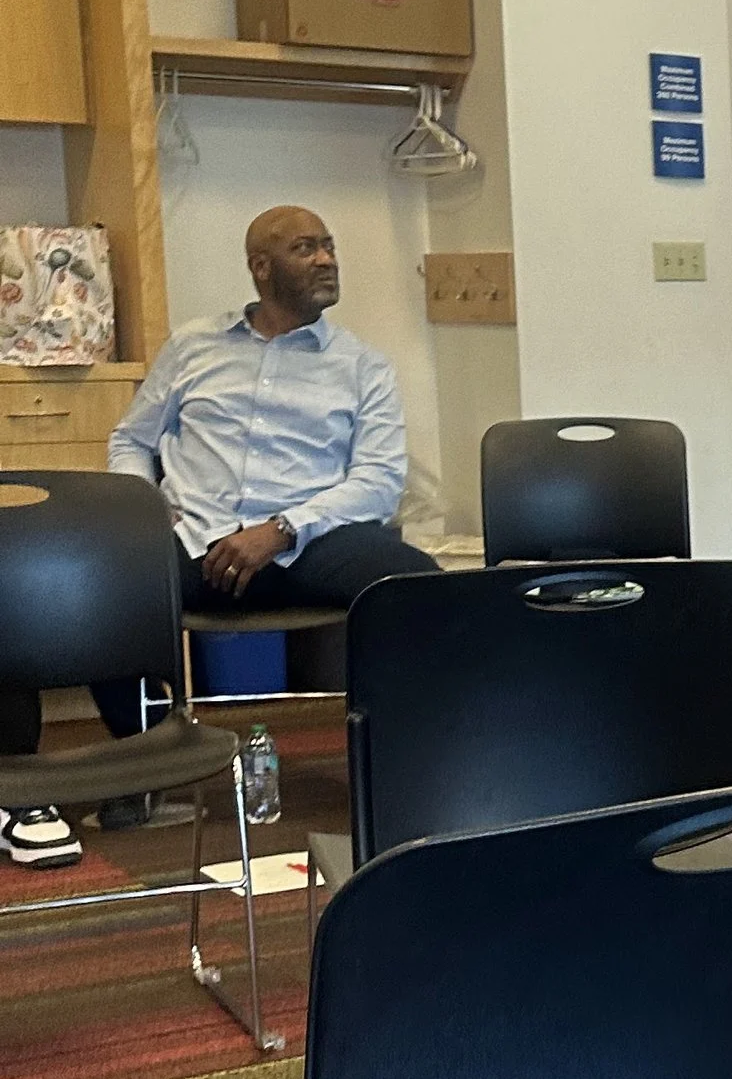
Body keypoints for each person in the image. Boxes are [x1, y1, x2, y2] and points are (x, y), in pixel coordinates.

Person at [0, 206, 438, 867]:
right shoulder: (194, 346)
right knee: (51, 592)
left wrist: (281, 528)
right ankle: (120, 769)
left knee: (420, 587)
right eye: (305, 247)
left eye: (329, 246)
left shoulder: (362, 366)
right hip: (192, 532)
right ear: (261, 266)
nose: (326, 259)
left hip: (308, 539)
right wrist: (143, 508)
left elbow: (377, 478)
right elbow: (133, 439)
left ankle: (415, 764)